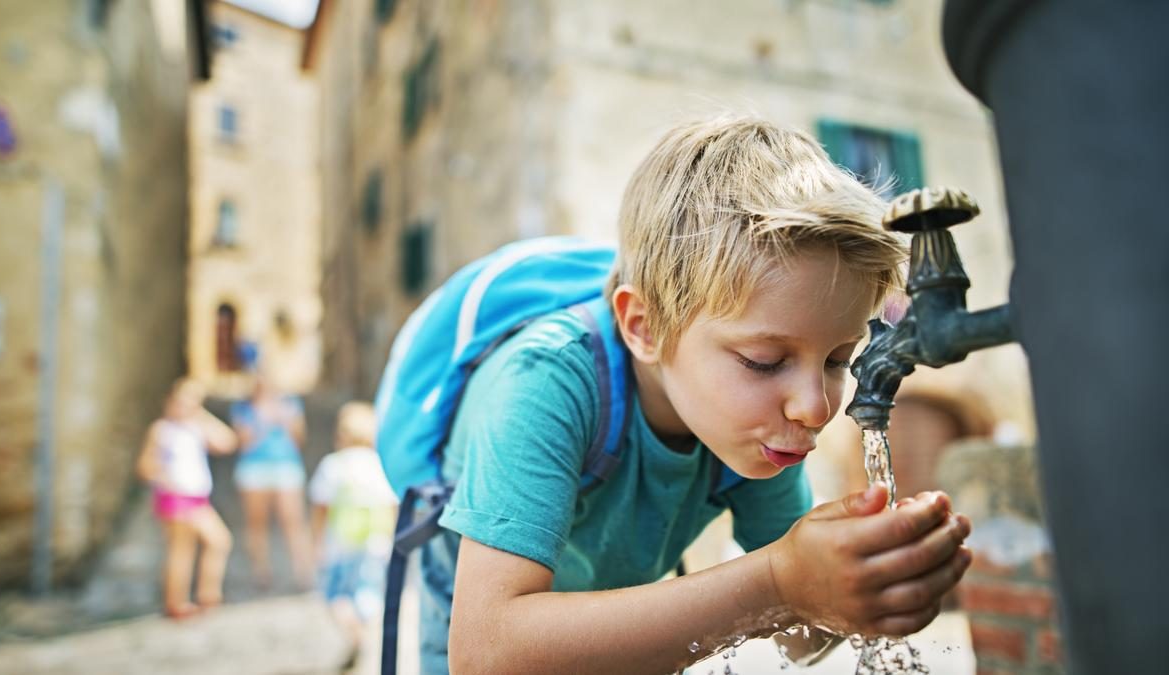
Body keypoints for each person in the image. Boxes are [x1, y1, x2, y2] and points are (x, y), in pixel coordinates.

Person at [423, 117, 974, 674]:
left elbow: (803, 643)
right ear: (644, 328)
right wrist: (778, 580)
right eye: (764, 361)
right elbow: (485, 653)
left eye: (837, 360)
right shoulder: (547, 380)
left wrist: (861, 586)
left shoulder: (764, 431)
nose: (814, 407)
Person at [136, 377, 238, 619]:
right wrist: (166, 480)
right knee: (189, 547)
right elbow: (144, 467)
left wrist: (201, 416)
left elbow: (228, 442)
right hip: (177, 498)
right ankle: (182, 602)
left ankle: (200, 597)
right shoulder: (162, 430)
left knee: (208, 544)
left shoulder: (195, 427)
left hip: (196, 498)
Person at [309, 402, 398, 672]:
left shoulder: (334, 465)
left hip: (343, 543)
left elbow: (321, 507)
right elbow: (393, 505)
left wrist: (317, 541)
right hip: (378, 543)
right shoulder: (381, 465)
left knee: (336, 595)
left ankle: (356, 636)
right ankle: (363, 633)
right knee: (368, 592)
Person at [231, 372, 313, 589]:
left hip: (285, 466)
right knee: (257, 522)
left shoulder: (291, 405)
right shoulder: (243, 408)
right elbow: (243, 442)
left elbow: (299, 438)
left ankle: (302, 570)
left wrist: (284, 420)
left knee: (293, 520)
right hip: (253, 469)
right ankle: (261, 571)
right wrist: (263, 423)